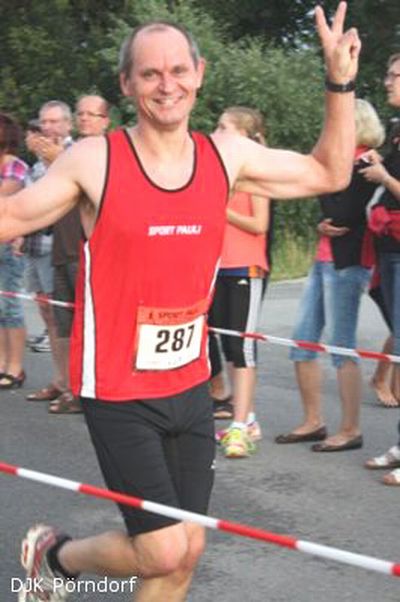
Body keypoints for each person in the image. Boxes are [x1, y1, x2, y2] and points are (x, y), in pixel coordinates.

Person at [0, 5, 360, 600]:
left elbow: (329, 172)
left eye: (177, 71)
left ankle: (55, 564)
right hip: (117, 386)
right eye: (149, 74)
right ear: (127, 84)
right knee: (163, 549)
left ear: (199, 74)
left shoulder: (226, 154)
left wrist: (339, 82)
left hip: (189, 381)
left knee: (185, 553)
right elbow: (12, 215)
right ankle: (56, 556)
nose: (166, 85)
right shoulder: (97, 159)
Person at [275, 98, 385, 452]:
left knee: (341, 345)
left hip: (349, 262)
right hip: (324, 257)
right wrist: (323, 219)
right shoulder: (339, 160)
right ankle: (313, 421)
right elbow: (326, 206)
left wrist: (328, 208)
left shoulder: (367, 163)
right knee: (302, 341)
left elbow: (346, 212)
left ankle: (351, 429)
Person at [208, 106, 271, 458]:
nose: (216, 133)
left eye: (224, 128)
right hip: (218, 266)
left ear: (245, 135)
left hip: (246, 267)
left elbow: (259, 224)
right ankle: (246, 417)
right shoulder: (219, 171)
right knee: (226, 345)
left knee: (241, 347)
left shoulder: (257, 173)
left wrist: (222, 209)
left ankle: (241, 424)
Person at [47, 94, 110, 414]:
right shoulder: (69, 153)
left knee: (92, 326)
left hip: (92, 252)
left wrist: (59, 160)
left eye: (91, 114)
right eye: (80, 114)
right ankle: (71, 388)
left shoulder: (108, 153)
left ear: (105, 121)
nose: (84, 119)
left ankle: (97, 391)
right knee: (63, 325)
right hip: (62, 248)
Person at [361, 53, 400, 485]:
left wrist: (384, 177)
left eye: (395, 75)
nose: (387, 81)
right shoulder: (396, 128)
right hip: (389, 248)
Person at [24, 101, 75, 405]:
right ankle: (60, 379)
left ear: (68, 124)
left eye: (55, 122)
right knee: (49, 315)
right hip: (36, 245)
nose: (48, 127)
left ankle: (72, 384)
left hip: (62, 248)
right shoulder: (38, 161)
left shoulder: (75, 155)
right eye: (44, 122)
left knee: (65, 318)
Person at [0, 114, 29, 389]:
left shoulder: (16, 167)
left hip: (9, 246)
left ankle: (15, 367)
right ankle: (1, 363)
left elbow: (5, 196)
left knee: (10, 307)